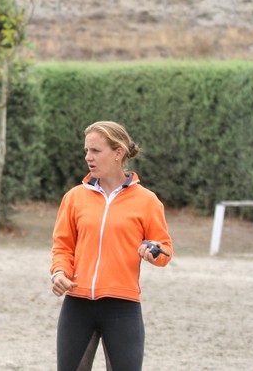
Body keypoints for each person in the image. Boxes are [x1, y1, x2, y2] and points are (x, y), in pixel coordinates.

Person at [49, 121, 173, 371]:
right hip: (77, 305)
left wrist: (153, 250)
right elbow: (63, 247)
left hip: (123, 307)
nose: (88, 157)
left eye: (96, 151)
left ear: (118, 153)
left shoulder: (147, 201)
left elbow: (165, 251)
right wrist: (59, 272)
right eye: (86, 151)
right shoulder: (74, 198)